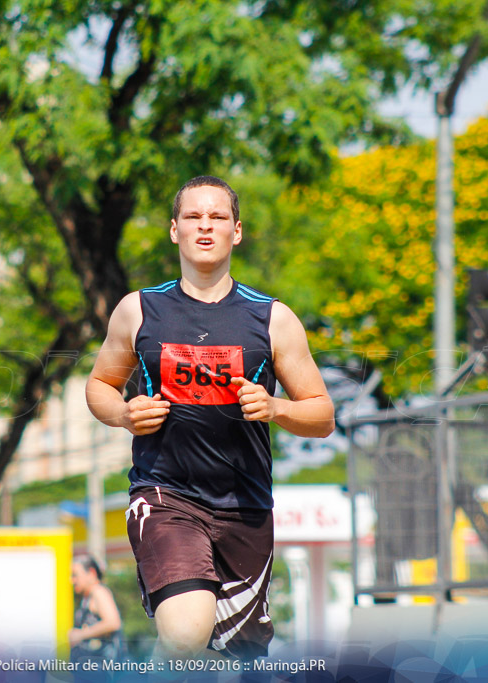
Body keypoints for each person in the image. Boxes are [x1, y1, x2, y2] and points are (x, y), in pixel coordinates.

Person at [85, 175, 334, 661]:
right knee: (184, 634)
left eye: (217, 217)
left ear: (236, 232)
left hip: (246, 508)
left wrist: (277, 407)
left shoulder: (273, 318)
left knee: (239, 662)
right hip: (166, 496)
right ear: (174, 230)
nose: (205, 227)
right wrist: (123, 413)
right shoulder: (138, 310)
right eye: (193, 217)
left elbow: (322, 413)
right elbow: (99, 386)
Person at [68, 555, 126, 663]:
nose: (72, 580)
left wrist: (80, 634)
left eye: (75, 575)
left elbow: (113, 623)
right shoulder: (88, 596)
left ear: (91, 573)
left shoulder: (99, 592)